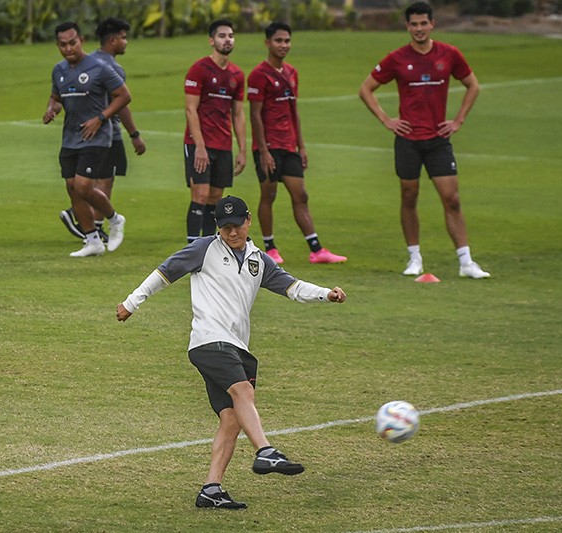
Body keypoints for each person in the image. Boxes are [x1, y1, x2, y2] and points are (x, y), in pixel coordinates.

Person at [116, 195, 347, 509]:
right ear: (218, 226)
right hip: (210, 341)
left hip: (237, 346)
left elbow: (292, 287)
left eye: (237, 225)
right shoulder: (203, 249)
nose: (232, 232)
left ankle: (211, 490)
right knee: (243, 392)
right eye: (225, 228)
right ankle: (265, 451)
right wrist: (132, 303)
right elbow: (164, 273)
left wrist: (326, 294)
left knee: (231, 419)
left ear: (248, 220)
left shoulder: (258, 260)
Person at [358, 1, 490, 278]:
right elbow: (366, 89)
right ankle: (414, 258)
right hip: (407, 140)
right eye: (414, 24)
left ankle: (466, 262)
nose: (419, 29)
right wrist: (386, 120)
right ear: (407, 26)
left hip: (438, 140)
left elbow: (473, 85)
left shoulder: (449, 54)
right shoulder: (397, 58)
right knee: (409, 196)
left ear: (432, 24)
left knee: (452, 199)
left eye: (423, 23)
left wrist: (458, 120)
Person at [247, 22, 347, 265]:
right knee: (269, 195)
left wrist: (301, 146)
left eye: (287, 41)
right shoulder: (259, 75)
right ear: (267, 43)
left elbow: (294, 112)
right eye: (279, 40)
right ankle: (270, 249)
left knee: (301, 195)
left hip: (288, 146)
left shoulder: (292, 72)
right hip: (268, 147)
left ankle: (316, 250)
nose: (284, 45)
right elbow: (255, 114)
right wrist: (263, 150)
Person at [43, 21, 129, 257]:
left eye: (72, 43)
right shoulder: (59, 70)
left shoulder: (99, 67)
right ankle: (92, 241)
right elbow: (56, 97)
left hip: (96, 136)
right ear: (58, 45)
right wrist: (51, 109)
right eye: (63, 45)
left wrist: (100, 118)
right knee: (72, 188)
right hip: (70, 137)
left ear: (81, 40)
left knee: (83, 186)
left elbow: (123, 96)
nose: (68, 48)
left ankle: (115, 219)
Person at [59, 17, 147, 244]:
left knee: (88, 180)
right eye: (123, 38)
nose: (125, 42)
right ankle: (90, 223)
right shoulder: (111, 67)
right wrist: (134, 135)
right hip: (106, 133)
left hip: (79, 133)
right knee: (104, 180)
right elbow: (122, 103)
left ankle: (89, 225)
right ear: (113, 40)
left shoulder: (89, 61)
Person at [183, 20, 247, 244]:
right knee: (200, 194)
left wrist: (242, 150)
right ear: (212, 41)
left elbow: (238, 114)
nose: (227, 39)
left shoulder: (237, 75)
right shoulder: (199, 69)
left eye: (230, 35)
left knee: (215, 197)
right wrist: (199, 147)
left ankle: (209, 245)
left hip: (223, 144)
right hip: (198, 143)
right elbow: (190, 109)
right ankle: (192, 248)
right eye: (222, 36)